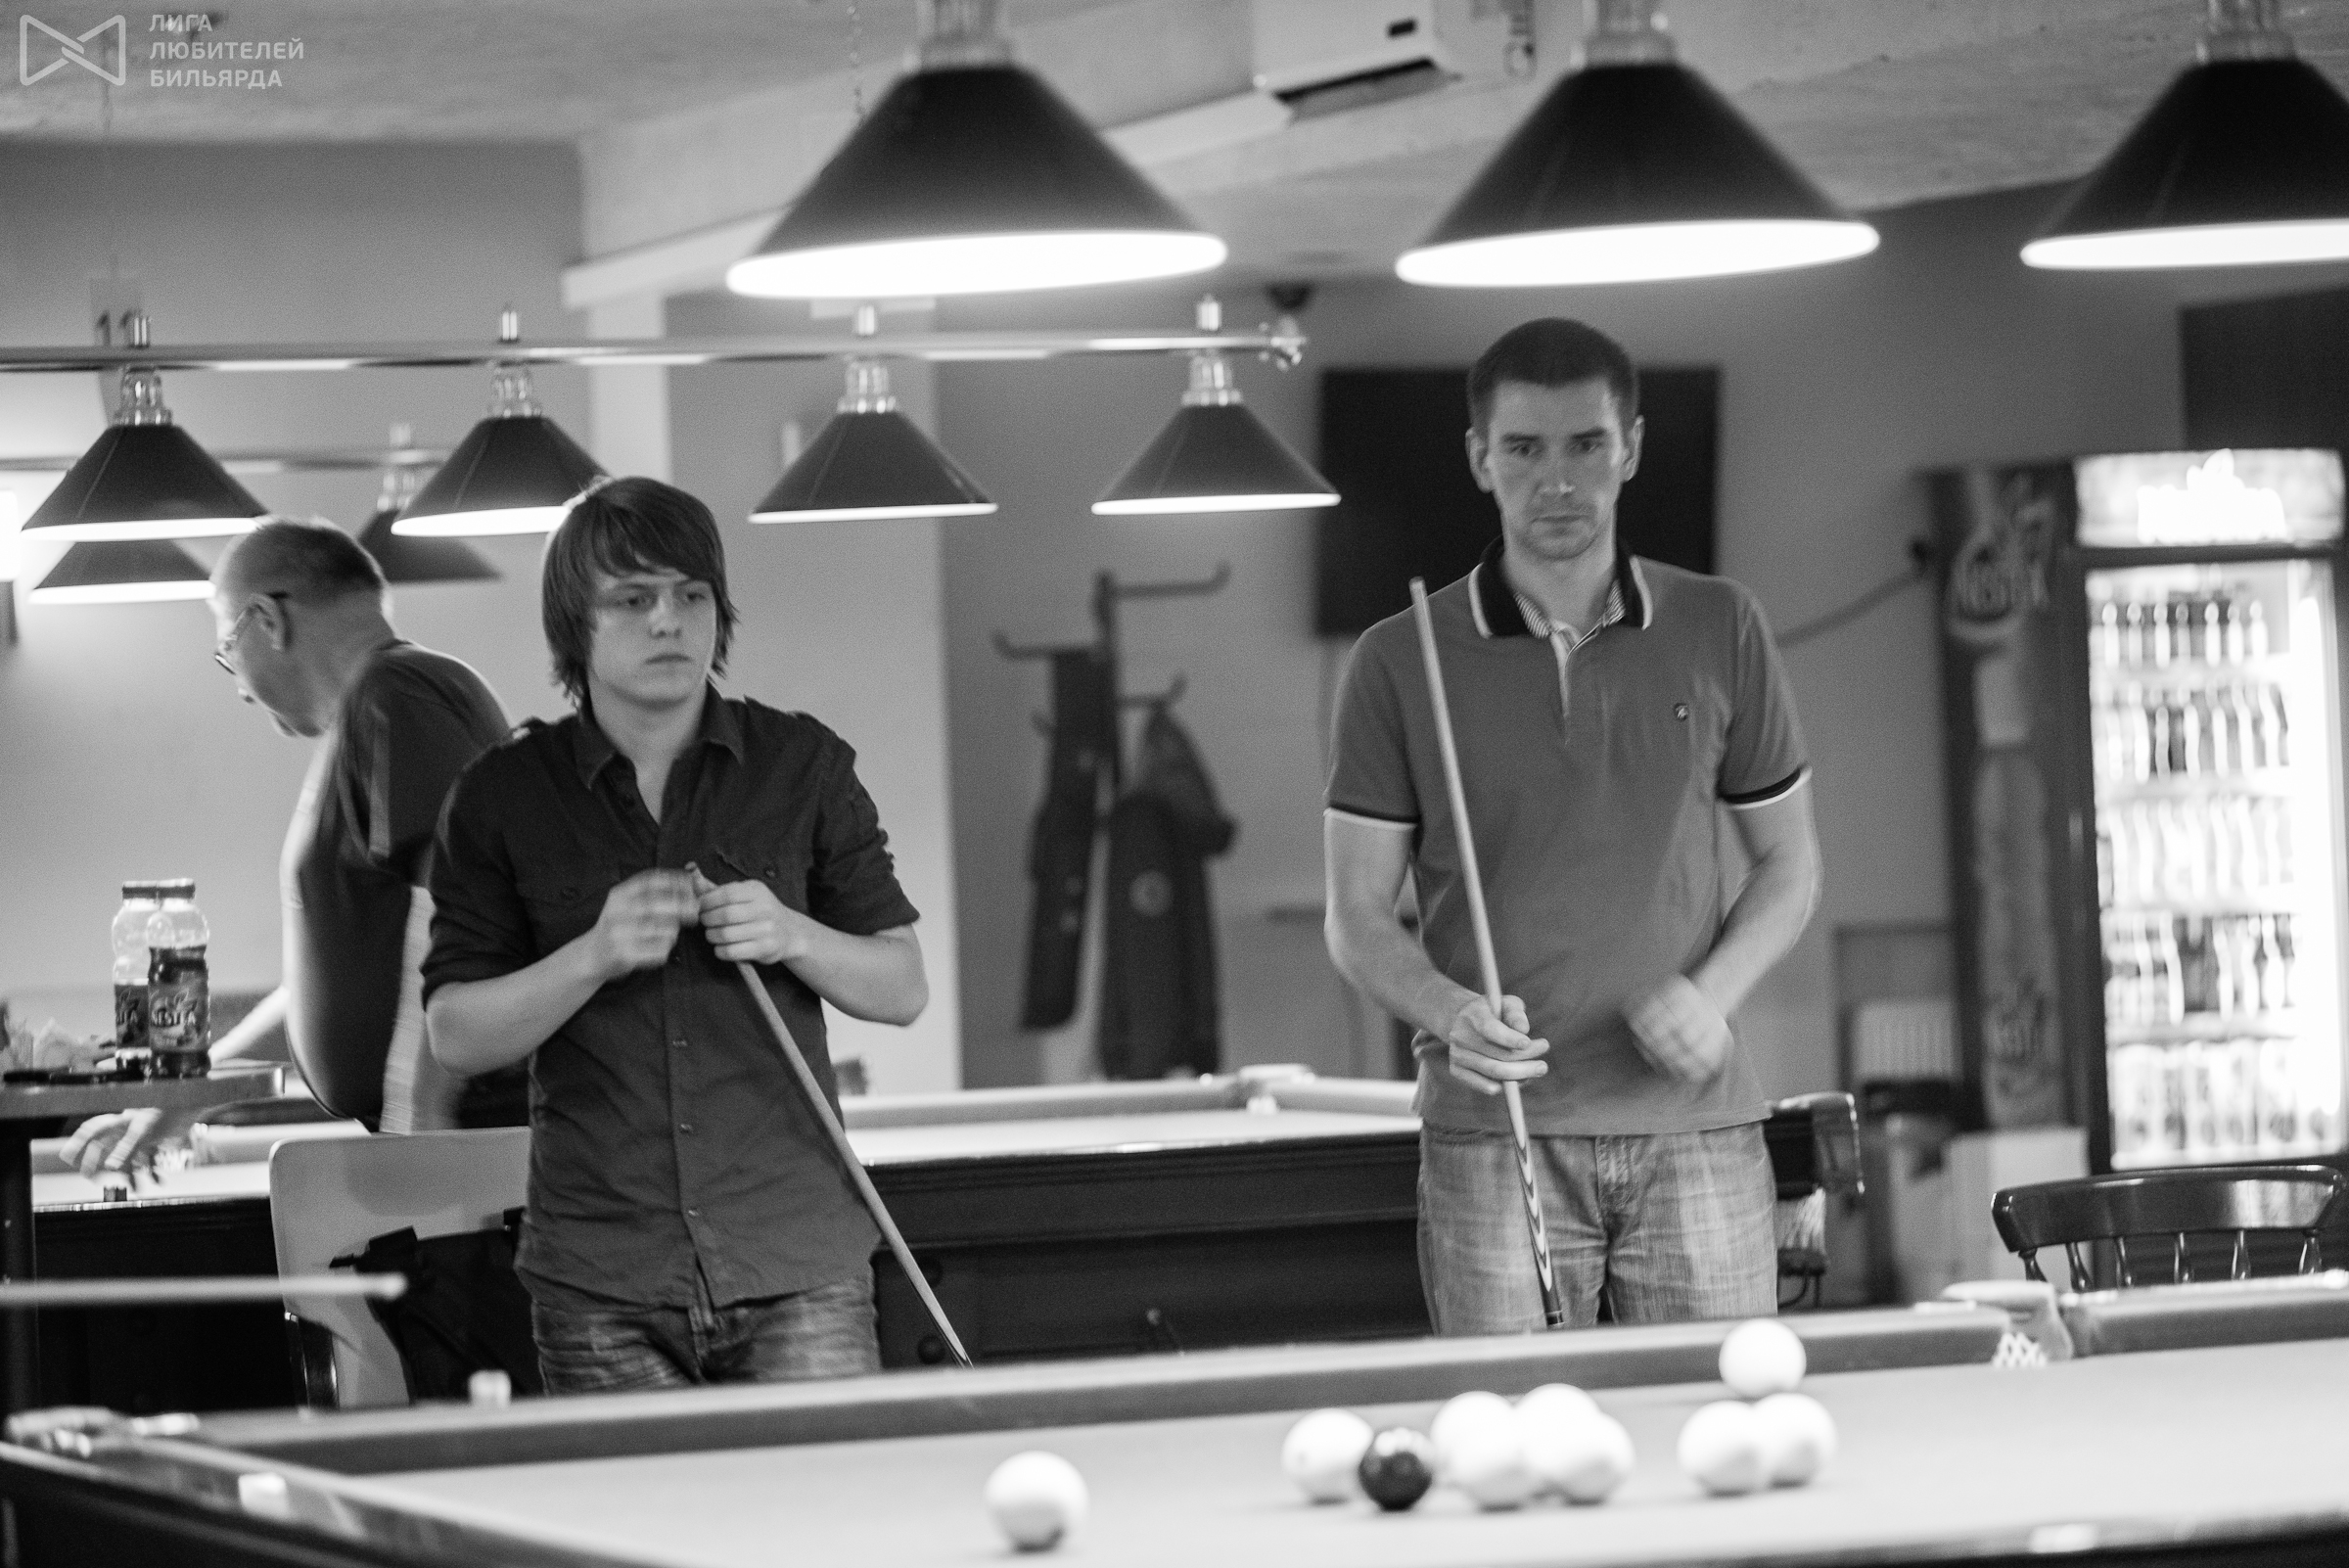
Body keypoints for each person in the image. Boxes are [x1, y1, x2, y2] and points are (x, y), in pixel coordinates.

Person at [1322, 318, 1821, 1334]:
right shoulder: (1398, 659)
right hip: (1494, 1137)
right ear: (1480, 459)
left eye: (1586, 444)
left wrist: (1714, 994)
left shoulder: (1721, 625)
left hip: (1697, 1130)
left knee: (1716, 1416)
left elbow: (1789, 864)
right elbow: (1357, 915)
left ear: (1629, 448)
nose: (1557, 480)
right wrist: (1447, 1009)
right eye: (1524, 449)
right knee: (1515, 1423)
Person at [423, 477, 927, 1393]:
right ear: (575, 624)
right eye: (632, 599)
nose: (668, 621)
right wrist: (592, 955)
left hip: (796, 1260)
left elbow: (902, 989)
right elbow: (455, 1034)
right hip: (601, 1278)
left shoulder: (802, 765)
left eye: (692, 595)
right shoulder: (502, 795)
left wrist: (791, 933)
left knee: (826, 1494)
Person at [64, 518, 521, 1179]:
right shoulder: (375, 708)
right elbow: (331, 980)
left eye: (228, 649)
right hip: (435, 1141)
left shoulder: (397, 693)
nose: (240, 687)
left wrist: (418, 1124)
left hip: (461, 1142)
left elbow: (455, 908)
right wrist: (190, 1095)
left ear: (267, 621)